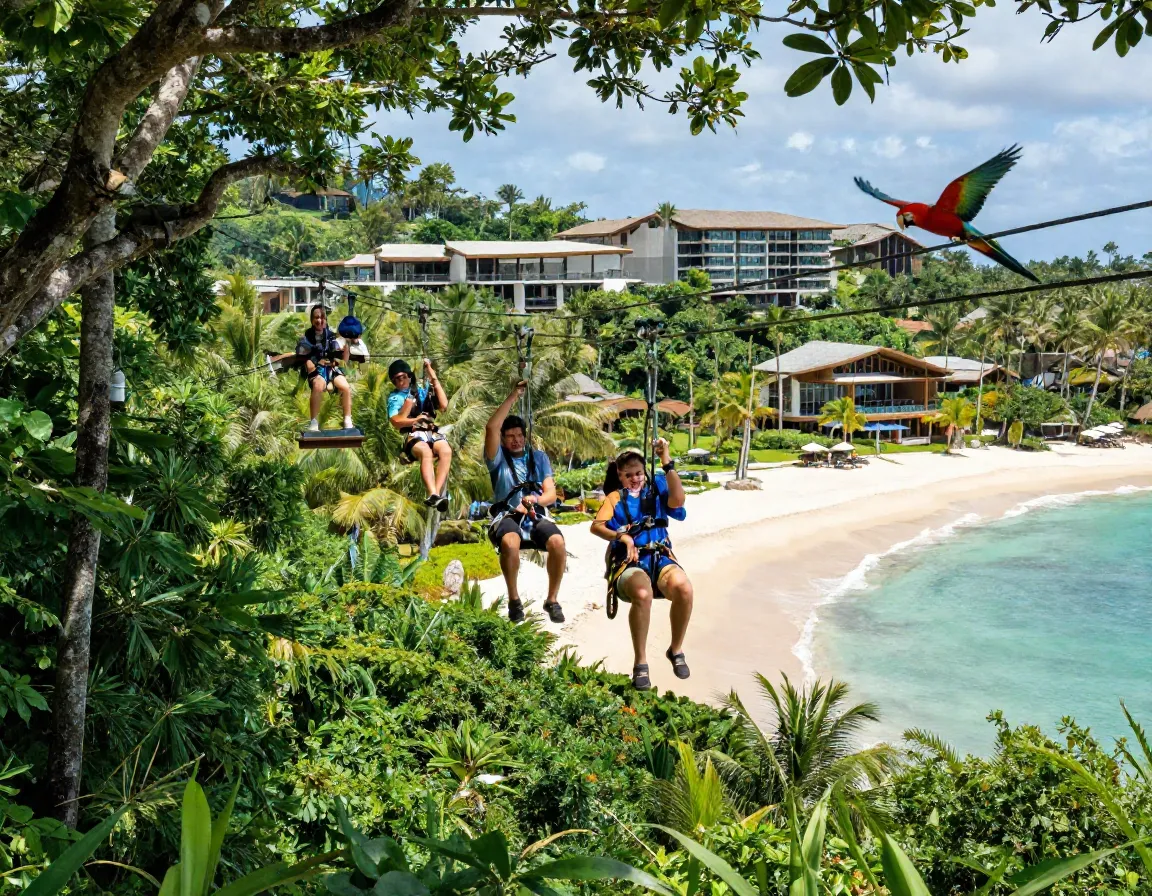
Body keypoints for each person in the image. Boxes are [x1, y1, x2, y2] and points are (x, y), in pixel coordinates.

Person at [591, 439, 692, 690]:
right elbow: (597, 526)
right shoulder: (615, 498)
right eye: (629, 475)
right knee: (642, 593)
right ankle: (641, 662)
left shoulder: (657, 488)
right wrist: (622, 537)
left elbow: (678, 501)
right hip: (631, 562)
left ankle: (676, 649)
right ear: (620, 476)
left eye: (638, 473)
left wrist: (666, 461)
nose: (635, 479)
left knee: (684, 588)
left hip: (660, 556)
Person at [484, 380, 566, 624]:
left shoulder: (538, 458)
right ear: (503, 439)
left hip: (534, 515)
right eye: (510, 436)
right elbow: (491, 427)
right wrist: (514, 395)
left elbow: (551, 493)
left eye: (519, 435)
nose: (516, 440)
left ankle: (552, 599)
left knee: (558, 543)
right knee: (510, 542)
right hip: (508, 514)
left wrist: (535, 499)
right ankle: (514, 599)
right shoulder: (497, 459)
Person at [387, 357, 452, 511]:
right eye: (396, 380)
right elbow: (396, 421)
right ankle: (432, 492)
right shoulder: (395, 398)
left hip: (431, 431)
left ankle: (436, 494)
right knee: (425, 452)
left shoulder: (423, 391)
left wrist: (433, 376)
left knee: (446, 451)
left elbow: (443, 405)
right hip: (413, 434)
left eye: (403, 377)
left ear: (409, 376)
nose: (400, 382)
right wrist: (414, 415)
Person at [297, 304, 353, 432]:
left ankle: (347, 419)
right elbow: (303, 356)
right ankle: (314, 421)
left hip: (331, 369)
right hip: (318, 370)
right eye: (316, 318)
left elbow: (341, 355)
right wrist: (314, 363)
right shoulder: (307, 338)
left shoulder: (331, 336)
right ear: (312, 320)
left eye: (322, 318)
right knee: (318, 386)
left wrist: (345, 348)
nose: (320, 320)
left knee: (345, 387)